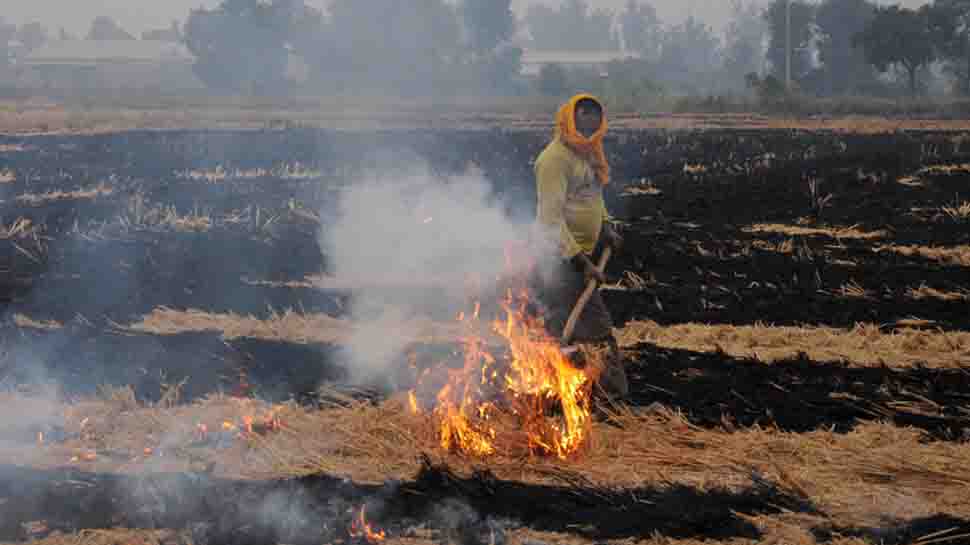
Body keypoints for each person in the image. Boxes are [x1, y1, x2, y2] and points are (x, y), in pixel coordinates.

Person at [531, 93, 628, 402]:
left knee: (562, 328)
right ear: (568, 121)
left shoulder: (588, 153)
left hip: (581, 255)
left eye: (593, 125)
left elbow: (592, 198)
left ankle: (565, 395)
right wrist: (579, 260)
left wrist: (607, 226)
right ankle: (611, 399)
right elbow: (550, 220)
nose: (588, 131)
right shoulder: (553, 161)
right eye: (582, 122)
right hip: (558, 259)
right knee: (594, 328)